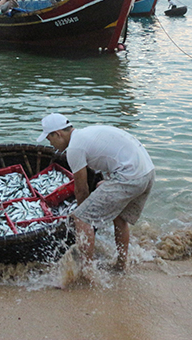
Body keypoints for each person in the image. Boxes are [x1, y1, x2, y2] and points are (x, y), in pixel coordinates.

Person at [37, 113, 155, 271]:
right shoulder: (87, 133)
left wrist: (82, 215)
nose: (50, 143)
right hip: (147, 173)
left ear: (58, 134)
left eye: (49, 138)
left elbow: (81, 188)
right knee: (119, 217)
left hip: (130, 178)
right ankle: (121, 264)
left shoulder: (74, 148)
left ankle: (87, 271)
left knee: (81, 218)